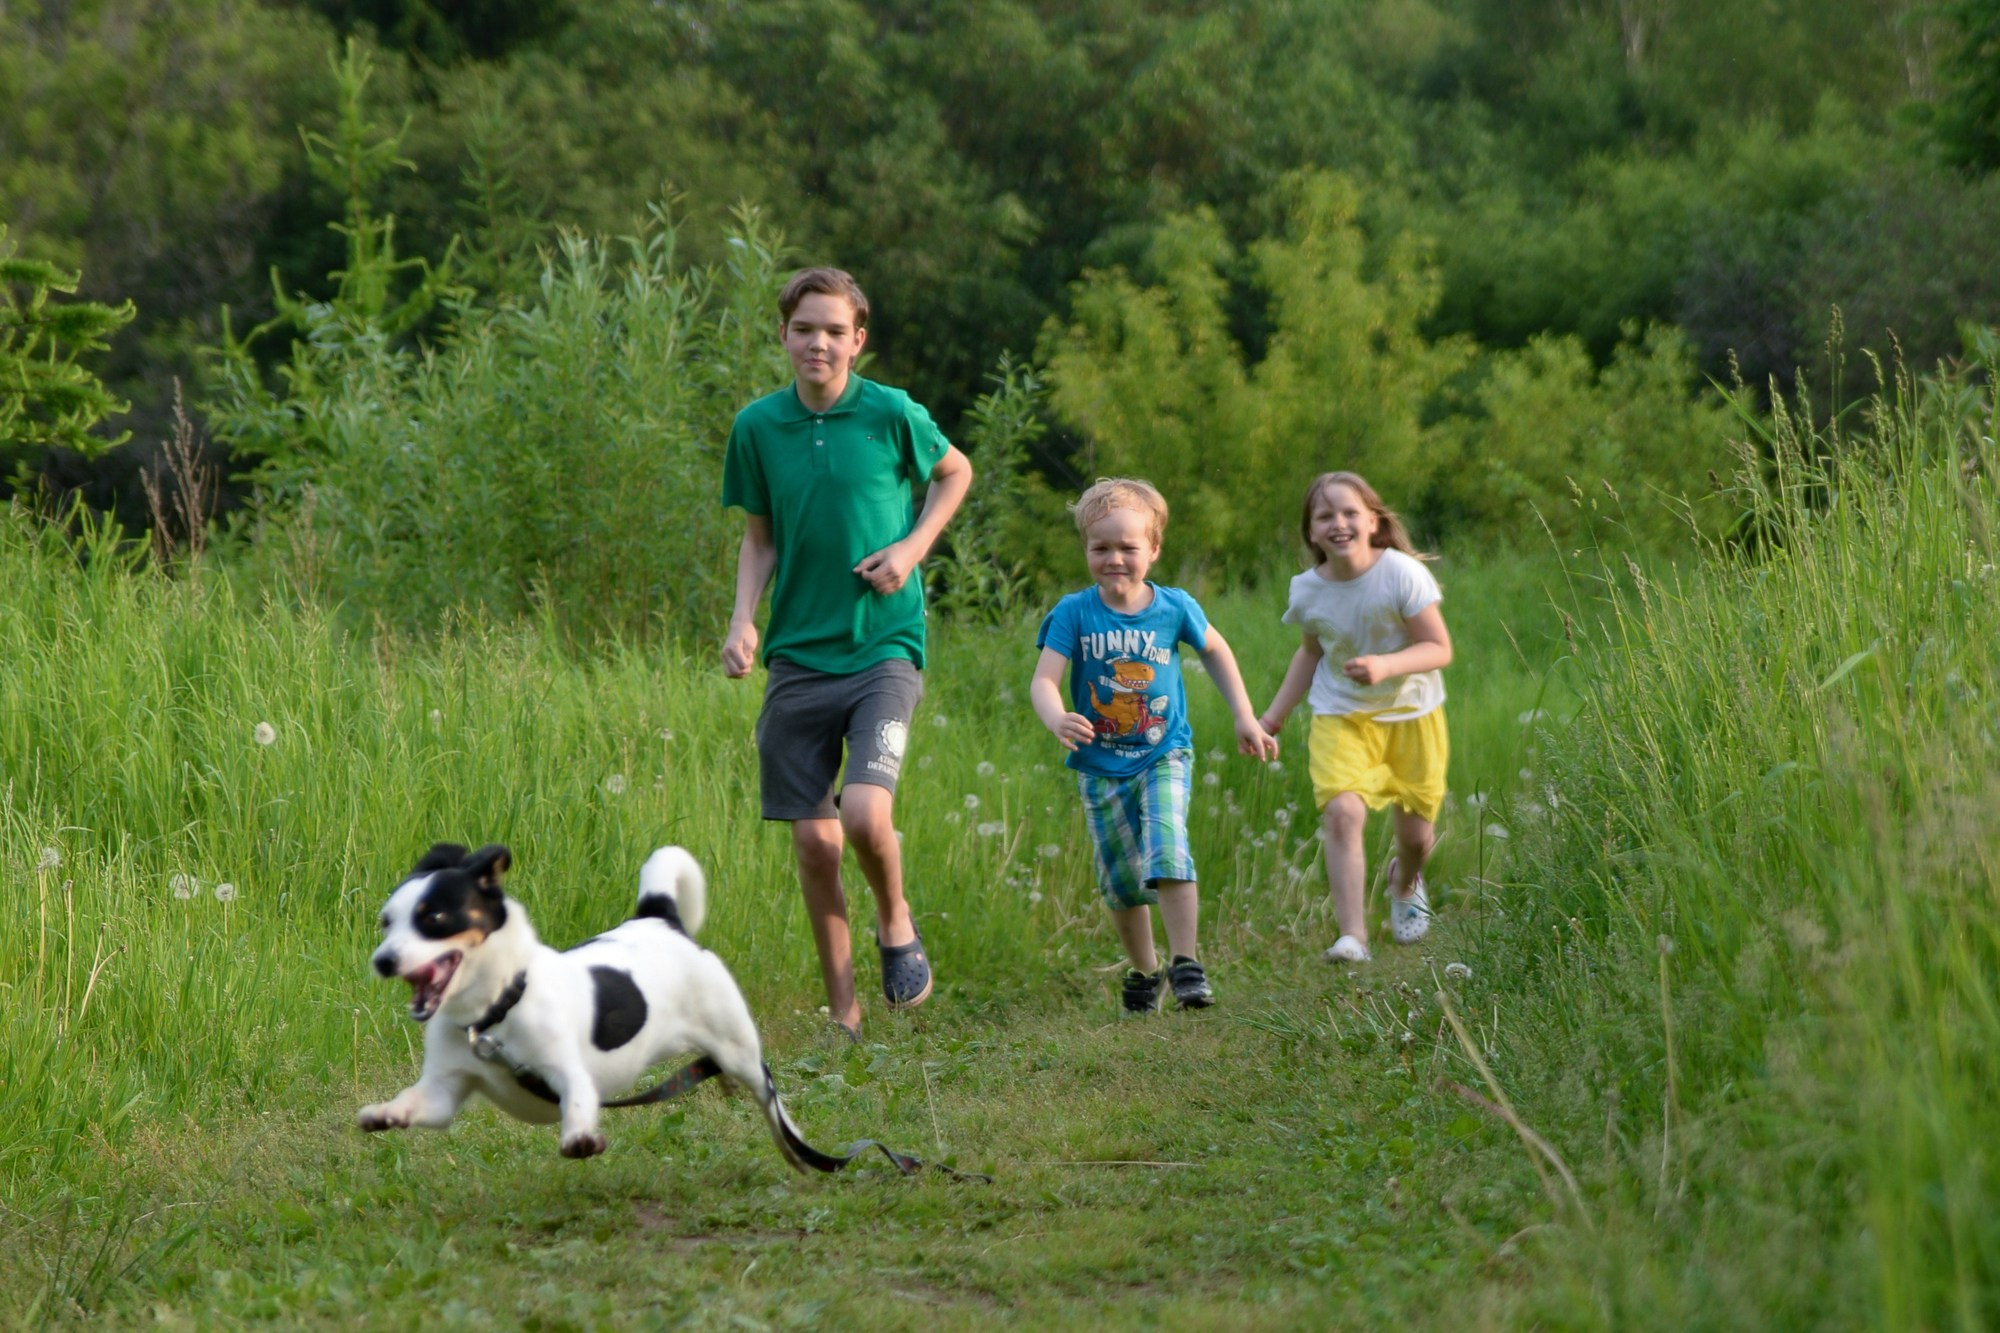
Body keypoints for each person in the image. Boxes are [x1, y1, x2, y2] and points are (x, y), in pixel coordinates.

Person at [720, 266, 974, 1035]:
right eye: (805, 329)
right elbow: (758, 539)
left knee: (864, 813)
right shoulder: (757, 427)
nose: (819, 343)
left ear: (858, 340)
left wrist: (911, 547)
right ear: (784, 335)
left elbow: (955, 471)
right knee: (815, 841)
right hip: (797, 654)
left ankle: (895, 921)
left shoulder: (891, 411)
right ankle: (844, 1012)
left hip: (883, 648)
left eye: (835, 331)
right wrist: (742, 621)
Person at [1030, 478, 1278, 1015]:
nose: (1114, 558)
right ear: (1086, 551)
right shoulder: (1073, 613)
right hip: (1099, 765)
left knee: (1168, 847)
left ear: (1154, 550)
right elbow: (1044, 681)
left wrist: (1244, 715)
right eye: (1101, 548)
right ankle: (1146, 971)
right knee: (1120, 883)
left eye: (1128, 547)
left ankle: (1186, 962)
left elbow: (1216, 650)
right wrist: (1058, 719)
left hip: (1163, 753)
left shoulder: (1173, 607)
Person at [1257, 471, 1452, 962]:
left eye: (1349, 513)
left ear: (1372, 521)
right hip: (1340, 715)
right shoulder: (1306, 590)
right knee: (1343, 813)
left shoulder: (1401, 574)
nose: (1338, 523)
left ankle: (1404, 883)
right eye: (1325, 516)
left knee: (1417, 836)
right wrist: (1273, 717)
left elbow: (1438, 647)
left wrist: (1386, 665)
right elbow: (1309, 654)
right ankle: (1353, 937)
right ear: (1312, 533)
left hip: (1412, 715)